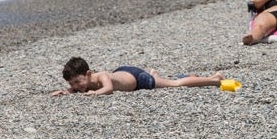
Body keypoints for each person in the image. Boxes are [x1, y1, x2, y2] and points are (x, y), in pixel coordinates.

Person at [51, 56, 223, 95]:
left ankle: (214, 79)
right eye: (72, 84)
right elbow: (77, 89)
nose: (76, 86)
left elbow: (109, 89)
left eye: (77, 81)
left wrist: (96, 93)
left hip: (139, 80)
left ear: (88, 74)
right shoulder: (84, 84)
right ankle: (155, 74)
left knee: (175, 84)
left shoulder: (102, 76)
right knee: (161, 80)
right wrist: (66, 92)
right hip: (124, 72)